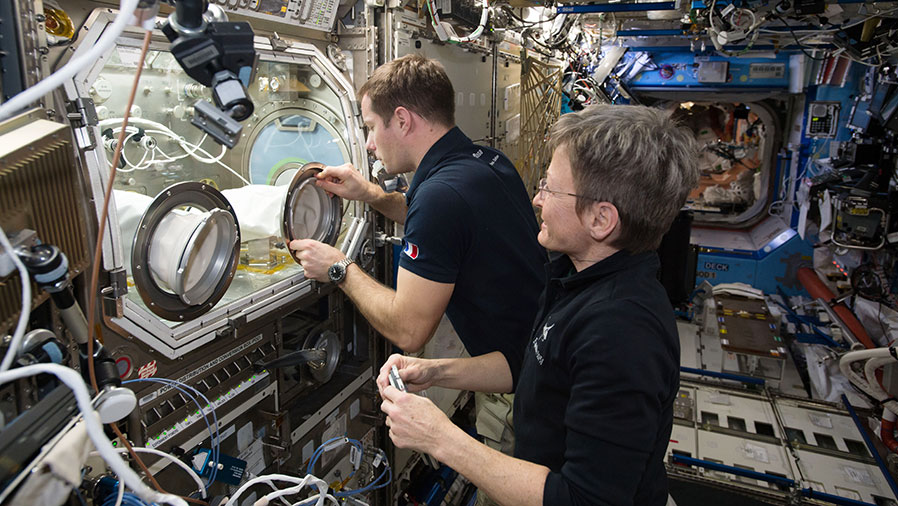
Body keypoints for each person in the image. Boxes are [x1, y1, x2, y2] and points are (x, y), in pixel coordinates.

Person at [377, 104, 700, 506]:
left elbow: (583, 499)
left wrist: (439, 437)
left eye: (551, 188)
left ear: (602, 220)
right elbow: (534, 367)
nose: (536, 199)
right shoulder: (576, 276)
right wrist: (435, 371)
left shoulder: (621, 332)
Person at [288, 54, 546, 472]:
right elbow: (437, 220)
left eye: (372, 127)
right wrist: (369, 194)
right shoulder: (484, 162)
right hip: (529, 359)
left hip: (520, 396)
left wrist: (339, 268)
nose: (370, 144)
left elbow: (408, 330)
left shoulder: (442, 196)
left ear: (403, 120)